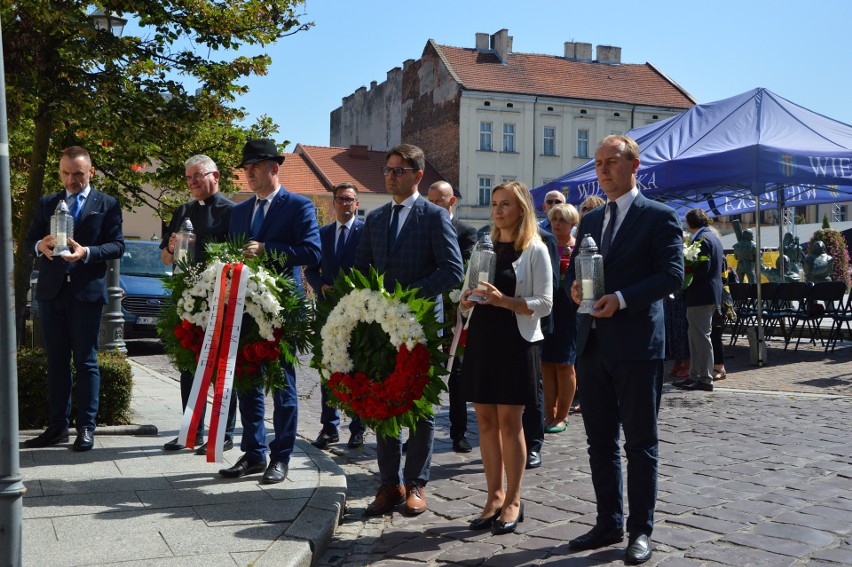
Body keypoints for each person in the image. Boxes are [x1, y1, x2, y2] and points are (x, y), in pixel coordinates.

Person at [566, 135, 683, 565]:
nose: (602, 170)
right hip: (593, 345)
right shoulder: (592, 222)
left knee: (640, 444)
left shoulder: (659, 217)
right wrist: (574, 287)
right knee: (599, 442)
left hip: (636, 346)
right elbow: (577, 274)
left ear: (634, 164)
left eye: (610, 161)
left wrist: (622, 298)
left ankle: (640, 530)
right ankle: (608, 521)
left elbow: (671, 275)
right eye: (597, 163)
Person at [354, 143, 464, 516]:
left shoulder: (434, 216)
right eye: (388, 169)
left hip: (421, 325)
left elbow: (452, 270)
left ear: (418, 175)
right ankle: (390, 483)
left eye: (399, 170)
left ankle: (417, 482)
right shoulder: (376, 218)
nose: (390, 176)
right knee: (384, 403)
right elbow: (362, 271)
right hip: (381, 328)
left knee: (419, 405)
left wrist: (407, 297)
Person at [218, 139, 321, 484]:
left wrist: (267, 250)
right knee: (247, 384)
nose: (248, 173)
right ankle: (253, 453)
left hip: (281, 312)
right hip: (245, 310)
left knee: (283, 388)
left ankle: (282, 457)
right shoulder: (239, 211)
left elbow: (311, 252)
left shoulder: (298, 206)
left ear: (274, 168)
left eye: (255, 167)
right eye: (246, 168)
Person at [460, 181, 552, 536]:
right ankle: (493, 497)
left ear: (521, 210)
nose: (497, 211)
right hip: (483, 338)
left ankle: (514, 499)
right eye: (495, 204)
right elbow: (465, 295)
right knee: (484, 421)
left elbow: (545, 304)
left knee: (510, 423)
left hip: (517, 340)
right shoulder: (483, 246)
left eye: (506, 205)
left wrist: (505, 302)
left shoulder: (534, 249)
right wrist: (466, 300)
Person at [23, 146, 125, 451]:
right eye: (65, 173)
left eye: (78, 174)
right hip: (52, 294)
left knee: (85, 362)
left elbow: (117, 246)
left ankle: (86, 428)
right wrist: (40, 244)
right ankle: (56, 428)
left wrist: (88, 253)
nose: (71, 180)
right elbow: (28, 242)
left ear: (90, 172)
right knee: (55, 362)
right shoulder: (47, 203)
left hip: (86, 294)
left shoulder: (107, 204)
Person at [160, 154, 237, 454]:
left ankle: (225, 432)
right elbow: (166, 258)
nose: (192, 182)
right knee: (188, 365)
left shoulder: (233, 211)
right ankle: (190, 430)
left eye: (198, 176)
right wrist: (170, 246)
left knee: (222, 367)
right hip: (187, 298)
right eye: (188, 178)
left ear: (215, 176)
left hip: (221, 299)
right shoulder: (182, 211)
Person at [305, 182, 366, 450]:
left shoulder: (367, 233)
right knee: (328, 368)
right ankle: (329, 428)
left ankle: (357, 429)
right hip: (328, 310)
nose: (344, 204)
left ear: (357, 204)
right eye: (340, 199)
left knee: (357, 369)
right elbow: (311, 270)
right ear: (333, 203)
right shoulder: (322, 234)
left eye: (349, 199)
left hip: (358, 312)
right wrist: (320, 286)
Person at [427, 180, 477, 454]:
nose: (435, 205)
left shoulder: (465, 231)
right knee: (423, 370)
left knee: (457, 373)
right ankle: (420, 432)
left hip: (456, 312)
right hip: (428, 310)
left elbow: (466, 269)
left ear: (451, 202)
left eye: (440, 200)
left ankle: (459, 433)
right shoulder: (420, 230)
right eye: (431, 200)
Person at [674, 209, 723, 393]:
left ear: (689, 223)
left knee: (700, 336)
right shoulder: (713, 236)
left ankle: (704, 377)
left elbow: (703, 266)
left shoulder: (702, 239)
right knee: (695, 335)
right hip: (708, 294)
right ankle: (695, 375)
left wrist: (686, 271)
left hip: (701, 294)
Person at [541, 204, 579, 434]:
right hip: (547, 309)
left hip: (569, 311)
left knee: (565, 364)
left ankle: (562, 415)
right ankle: (549, 412)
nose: (556, 224)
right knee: (546, 364)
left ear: (572, 223)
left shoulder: (577, 248)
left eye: (562, 220)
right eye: (554, 219)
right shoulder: (545, 245)